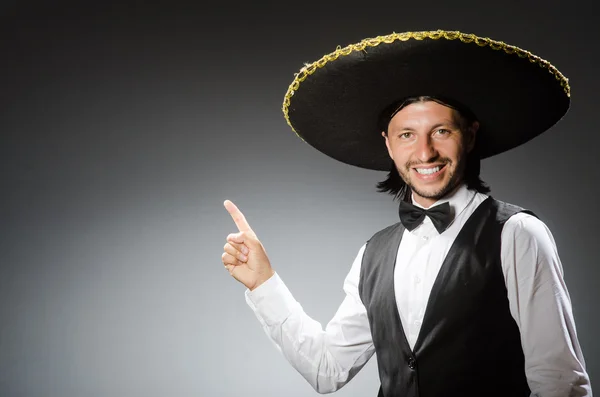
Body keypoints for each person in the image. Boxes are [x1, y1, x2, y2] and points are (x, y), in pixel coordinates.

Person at [221, 30, 592, 396]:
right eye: (407, 135)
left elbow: (561, 384)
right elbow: (326, 370)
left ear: (471, 135)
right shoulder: (373, 254)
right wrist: (263, 283)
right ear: (388, 145)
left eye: (441, 131)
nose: (425, 152)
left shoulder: (518, 234)